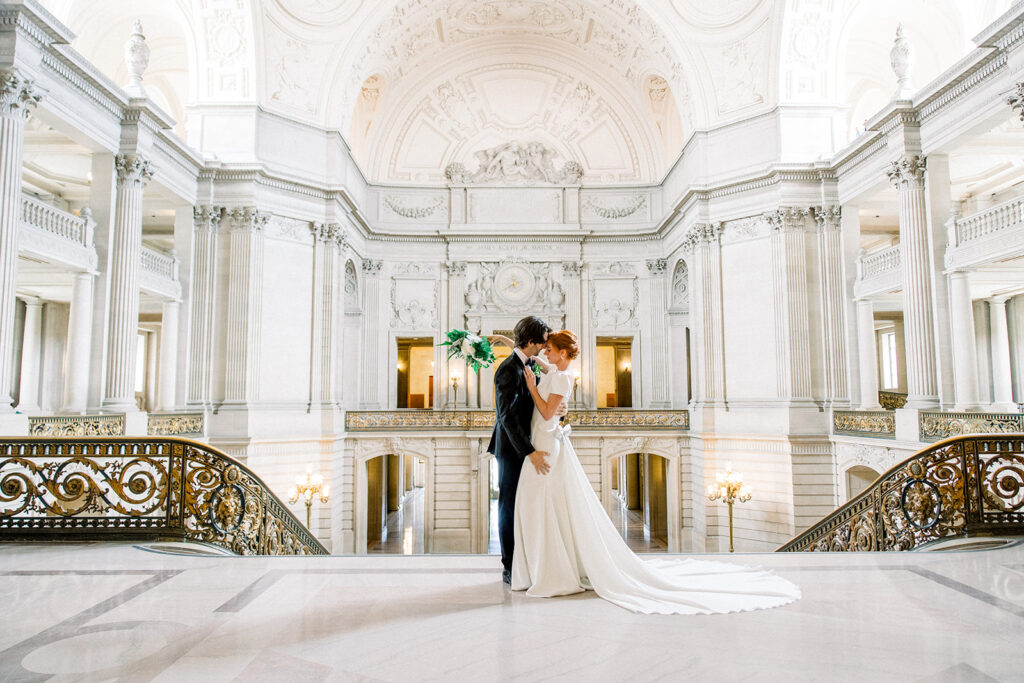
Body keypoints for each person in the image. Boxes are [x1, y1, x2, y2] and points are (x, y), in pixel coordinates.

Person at [512, 329, 801, 614]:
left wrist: (532, 387)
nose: (544, 353)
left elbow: (549, 412)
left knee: (544, 504)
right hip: (544, 439)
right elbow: (547, 371)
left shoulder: (562, 376)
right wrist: (526, 357)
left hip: (547, 442)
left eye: (548, 349)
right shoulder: (555, 370)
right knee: (547, 505)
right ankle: (552, 564)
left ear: (562, 353)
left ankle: (554, 570)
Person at [486, 316, 566, 586]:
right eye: (543, 340)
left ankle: (529, 559)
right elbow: (506, 417)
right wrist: (529, 452)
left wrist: (558, 413)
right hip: (511, 448)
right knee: (508, 506)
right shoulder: (507, 370)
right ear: (531, 341)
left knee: (528, 504)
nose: (546, 345)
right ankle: (509, 565)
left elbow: (543, 403)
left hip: (532, 443)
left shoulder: (531, 363)